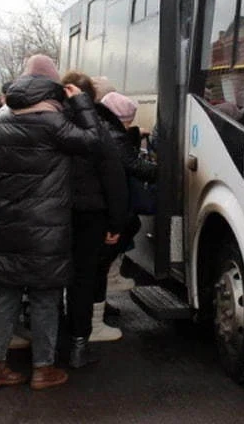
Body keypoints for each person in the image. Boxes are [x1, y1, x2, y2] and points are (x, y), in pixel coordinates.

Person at [0, 54, 104, 390]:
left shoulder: (1, 125)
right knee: (45, 297)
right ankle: (42, 368)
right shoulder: (52, 125)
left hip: (7, 226)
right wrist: (81, 102)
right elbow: (93, 141)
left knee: (6, 296)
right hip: (46, 229)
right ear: (52, 90)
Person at [60, 70, 129, 359]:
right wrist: (117, 222)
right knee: (83, 280)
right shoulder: (99, 129)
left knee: (52, 280)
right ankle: (78, 346)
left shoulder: (52, 124)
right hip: (91, 216)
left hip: (55, 213)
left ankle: (49, 348)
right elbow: (113, 177)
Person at [96, 91, 158, 318]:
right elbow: (132, 165)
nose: (130, 125)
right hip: (105, 207)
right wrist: (166, 171)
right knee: (98, 264)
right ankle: (94, 318)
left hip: (99, 205)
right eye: (128, 122)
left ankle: (98, 309)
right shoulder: (113, 135)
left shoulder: (103, 127)